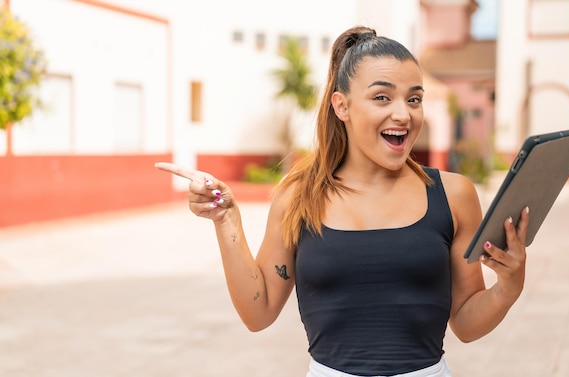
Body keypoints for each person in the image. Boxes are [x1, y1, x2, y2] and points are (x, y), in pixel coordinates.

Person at [155, 25, 528, 377]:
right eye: (382, 97)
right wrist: (227, 220)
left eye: (414, 98)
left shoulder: (453, 195)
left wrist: (507, 288)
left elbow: (465, 322)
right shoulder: (298, 196)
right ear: (342, 106)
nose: (403, 113)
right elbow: (258, 311)